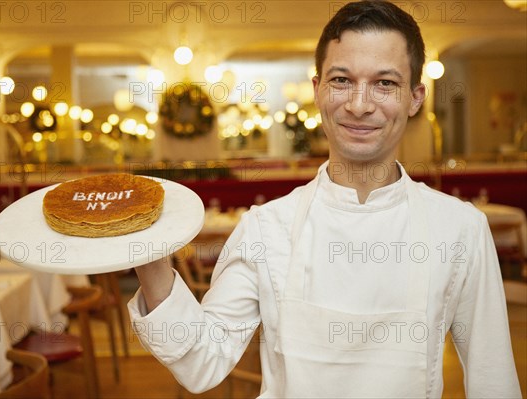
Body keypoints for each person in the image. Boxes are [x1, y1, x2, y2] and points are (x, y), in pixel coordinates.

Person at [128, 1, 522, 397]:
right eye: (341, 80)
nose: (359, 104)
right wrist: (146, 249)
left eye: (385, 83)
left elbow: (493, 381)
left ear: (415, 98)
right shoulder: (266, 228)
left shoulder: (460, 228)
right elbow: (201, 362)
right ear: (317, 90)